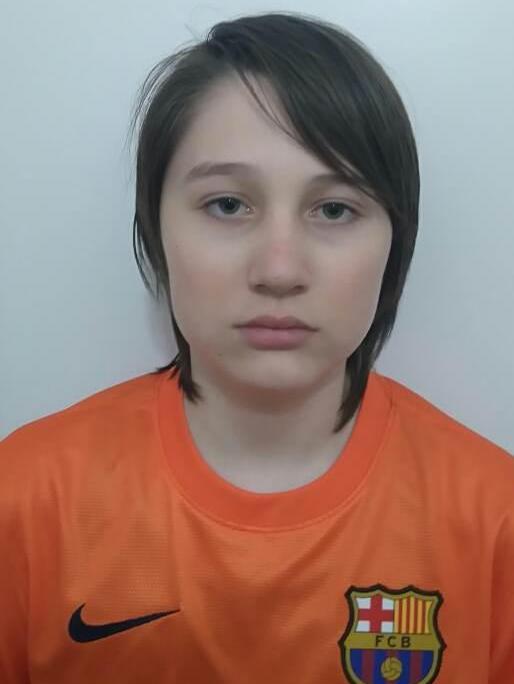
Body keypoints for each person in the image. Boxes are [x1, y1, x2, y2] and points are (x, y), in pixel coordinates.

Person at [0, 10, 512, 684]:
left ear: (397, 240)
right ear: (157, 231)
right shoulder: (24, 502)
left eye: (334, 209)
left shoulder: (495, 520)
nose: (279, 269)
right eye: (227, 205)